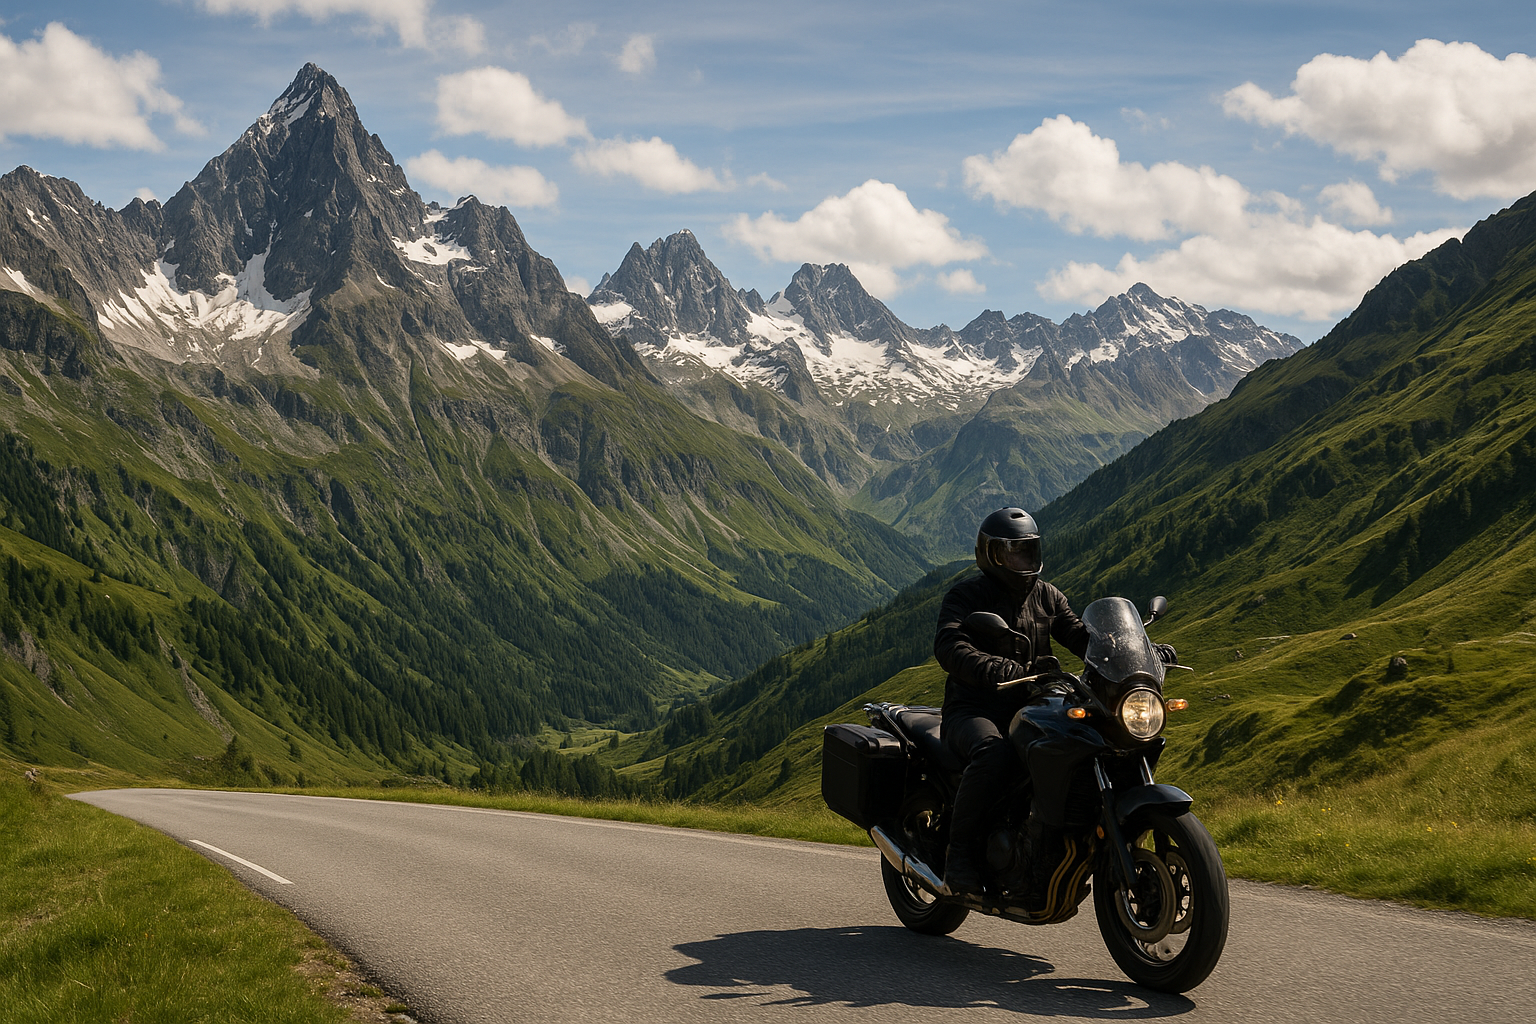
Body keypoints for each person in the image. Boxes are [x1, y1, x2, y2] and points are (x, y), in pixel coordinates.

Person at [933, 507, 1090, 900]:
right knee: (994, 754)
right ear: (992, 556)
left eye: (1029, 550)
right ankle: (960, 858)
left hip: (1033, 707)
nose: (1024, 560)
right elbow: (949, 645)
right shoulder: (967, 596)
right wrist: (994, 668)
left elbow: (1081, 635)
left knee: (1082, 740)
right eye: (1014, 553)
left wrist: (1134, 651)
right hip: (974, 709)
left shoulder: (1047, 595)